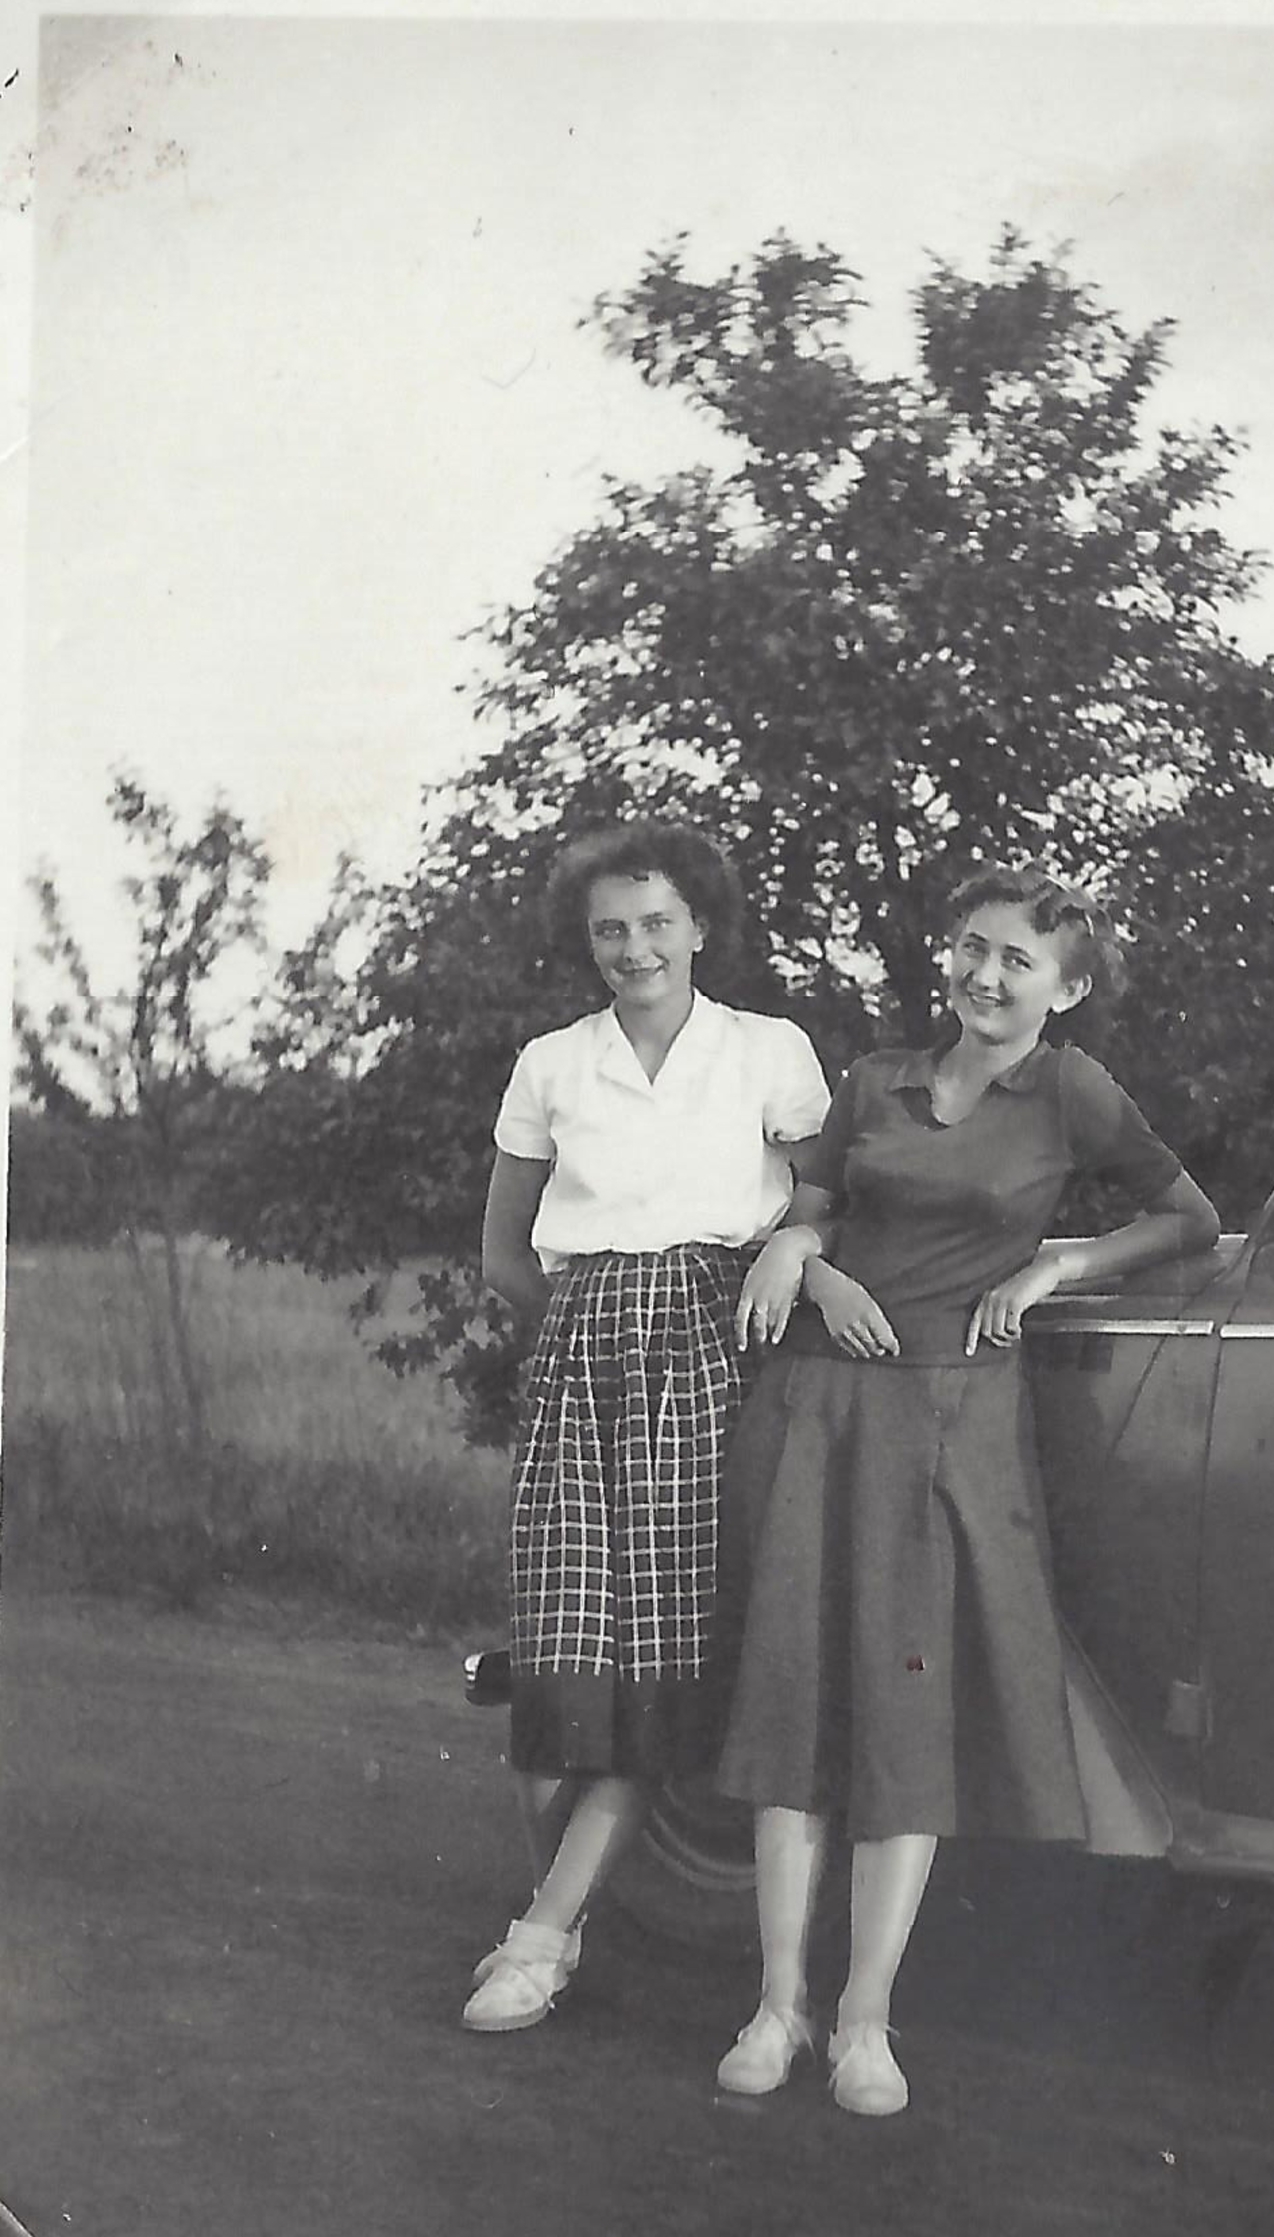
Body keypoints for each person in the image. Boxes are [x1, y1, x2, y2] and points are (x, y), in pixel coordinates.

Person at [710, 864, 1220, 2113]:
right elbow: (813, 1209)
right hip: (819, 1407)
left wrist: (1056, 1266)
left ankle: (863, 2022)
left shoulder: (1072, 1092)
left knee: (904, 1716)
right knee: (792, 1703)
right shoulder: (872, 1079)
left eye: (1017, 962)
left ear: (1066, 990)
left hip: (951, 1419)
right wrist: (807, 1259)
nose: (985, 977)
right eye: (972, 949)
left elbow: (1188, 1217)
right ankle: (774, 2006)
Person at [463, 820, 829, 2033]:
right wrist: (590, 1330)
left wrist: (785, 1249)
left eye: (656, 922)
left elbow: (826, 1196)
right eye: (611, 929)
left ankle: (540, 1941)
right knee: (559, 1665)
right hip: (582, 1365)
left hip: (717, 1355)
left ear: (699, 927)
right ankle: (559, 1919)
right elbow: (504, 1253)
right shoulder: (550, 1064)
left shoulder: (767, 1050)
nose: (635, 948)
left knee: (658, 1668)